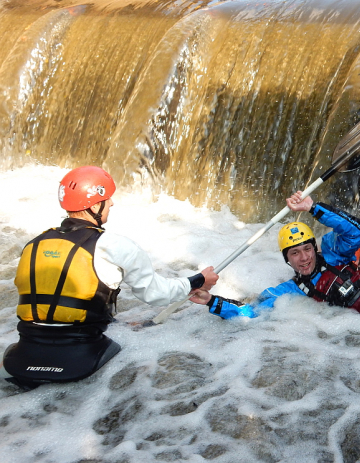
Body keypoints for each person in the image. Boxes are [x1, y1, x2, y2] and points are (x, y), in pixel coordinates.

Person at [0, 166, 219, 390]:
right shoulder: (114, 245)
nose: (111, 203)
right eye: (107, 198)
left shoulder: (34, 244)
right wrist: (198, 280)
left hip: (25, 354)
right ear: (95, 205)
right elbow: (156, 294)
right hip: (82, 355)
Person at [189, 192, 360, 345]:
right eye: (295, 253)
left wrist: (313, 208)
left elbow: (357, 232)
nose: (304, 258)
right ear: (287, 260)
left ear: (314, 247)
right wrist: (211, 301)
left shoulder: (333, 250)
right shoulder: (287, 292)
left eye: (307, 249)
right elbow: (250, 313)